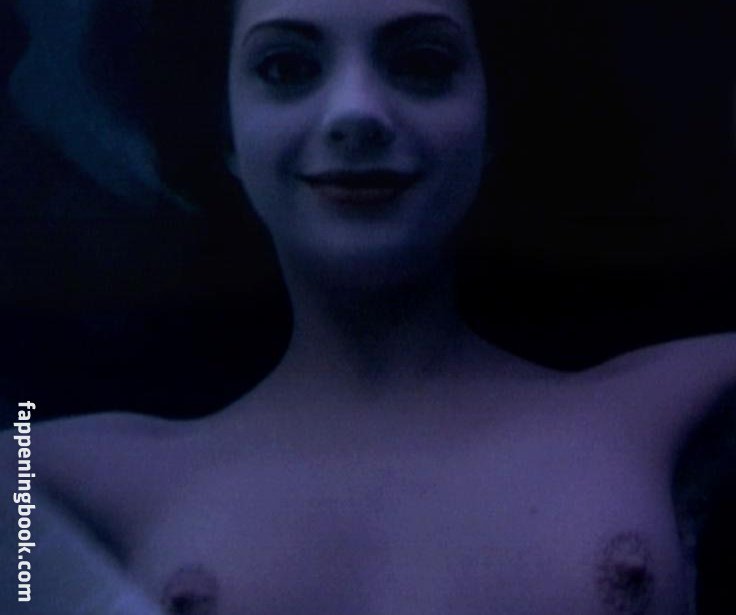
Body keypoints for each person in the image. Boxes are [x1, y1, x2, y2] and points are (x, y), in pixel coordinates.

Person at [2, 0, 735, 614]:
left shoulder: (676, 408)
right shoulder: (46, 473)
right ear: (221, 129)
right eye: (286, 68)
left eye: (423, 63)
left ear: (496, 116)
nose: (356, 112)